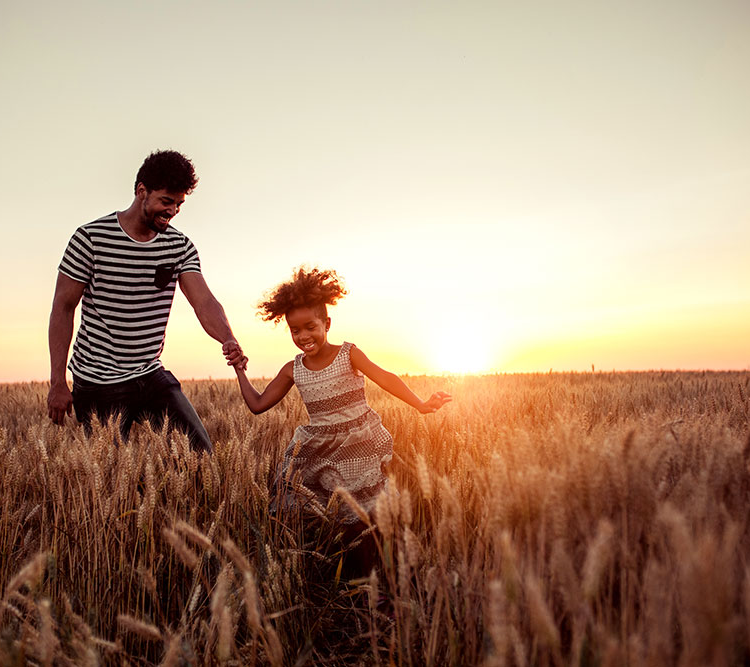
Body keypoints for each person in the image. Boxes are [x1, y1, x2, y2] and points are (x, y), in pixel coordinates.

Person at [232, 266, 451, 573]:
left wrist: (420, 404)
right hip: (319, 450)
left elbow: (384, 377)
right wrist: (239, 369)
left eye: (310, 326)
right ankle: (334, 573)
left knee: (366, 516)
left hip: (358, 445)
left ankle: (372, 578)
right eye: (295, 331)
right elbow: (257, 404)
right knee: (320, 514)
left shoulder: (349, 354)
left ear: (327, 323)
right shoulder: (292, 369)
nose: (304, 336)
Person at [47, 149, 244, 451]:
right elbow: (62, 308)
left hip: (150, 375)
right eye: (166, 201)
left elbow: (203, 301)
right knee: (115, 483)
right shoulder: (90, 238)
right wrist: (58, 382)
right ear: (141, 191)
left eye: (179, 204)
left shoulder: (179, 246)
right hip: (99, 382)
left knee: (201, 456)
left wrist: (227, 338)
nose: (173, 211)